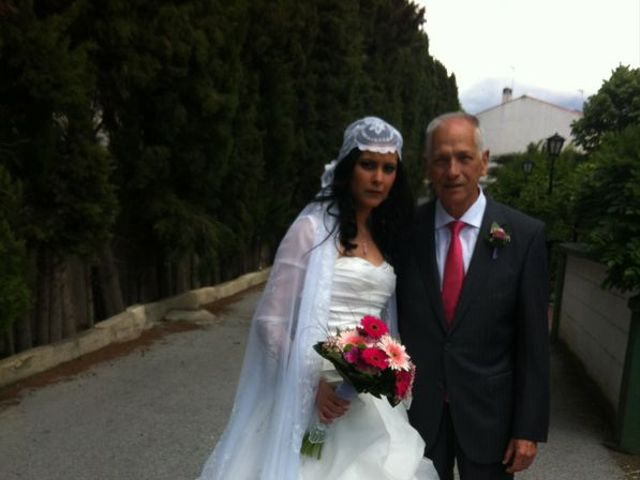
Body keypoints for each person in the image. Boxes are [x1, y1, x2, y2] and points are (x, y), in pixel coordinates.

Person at [198, 116, 439, 479]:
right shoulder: (310, 230)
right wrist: (313, 384)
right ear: (348, 168)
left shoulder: (384, 234)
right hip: (313, 391)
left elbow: (386, 323)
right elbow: (270, 322)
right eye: (368, 165)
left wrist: (386, 373)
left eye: (388, 168)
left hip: (368, 398)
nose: (378, 178)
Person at [396, 112, 550, 480]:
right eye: (441, 159)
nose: (453, 171)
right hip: (417, 415)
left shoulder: (524, 236)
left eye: (464, 157)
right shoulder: (403, 231)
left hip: (490, 418)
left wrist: (528, 428)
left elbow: (533, 342)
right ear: (427, 167)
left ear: (483, 162)